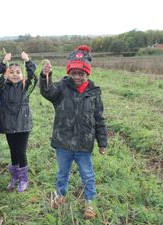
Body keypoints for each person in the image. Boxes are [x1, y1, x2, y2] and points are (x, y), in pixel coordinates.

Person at [39, 45, 107, 219]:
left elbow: (99, 119)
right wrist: (46, 75)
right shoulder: (62, 87)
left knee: (88, 175)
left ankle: (90, 202)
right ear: (69, 73)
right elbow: (47, 92)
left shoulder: (94, 93)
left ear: (87, 74)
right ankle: (60, 196)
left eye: (81, 73)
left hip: (84, 144)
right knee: (62, 173)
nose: (77, 76)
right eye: (74, 73)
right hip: (63, 143)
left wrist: (102, 142)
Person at [0, 51, 37, 192]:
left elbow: (33, 78)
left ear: (22, 74)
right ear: (6, 74)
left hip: (23, 125)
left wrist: (28, 61)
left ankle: (23, 179)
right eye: (11, 72)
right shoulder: (3, 87)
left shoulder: (26, 87)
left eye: (18, 72)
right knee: (13, 150)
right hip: (8, 123)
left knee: (21, 151)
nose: (15, 74)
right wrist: (3, 63)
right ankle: (15, 178)